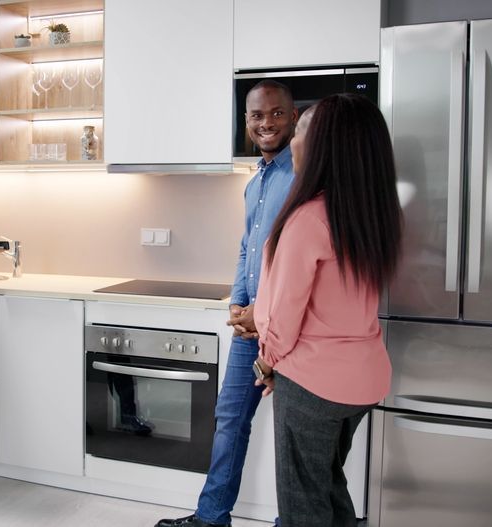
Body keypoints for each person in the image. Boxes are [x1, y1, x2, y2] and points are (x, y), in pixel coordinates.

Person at [253, 94, 402, 527]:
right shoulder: (375, 215)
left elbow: (284, 315)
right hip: (363, 381)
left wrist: (267, 363)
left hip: (313, 383)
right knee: (329, 487)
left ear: (324, 146)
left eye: (299, 132)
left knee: (303, 506)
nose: (290, 141)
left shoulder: (309, 218)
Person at [156, 80, 298, 527]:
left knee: (295, 431)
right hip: (248, 326)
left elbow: (300, 257)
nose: (266, 123)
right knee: (229, 419)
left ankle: (291, 520)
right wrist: (239, 304)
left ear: (293, 117)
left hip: (287, 323)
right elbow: (248, 247)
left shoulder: (306, 175)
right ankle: (211, 517)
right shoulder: (256, 181)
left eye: (276, 113)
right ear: (247, 123)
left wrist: (264, 309)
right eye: (257, 116)